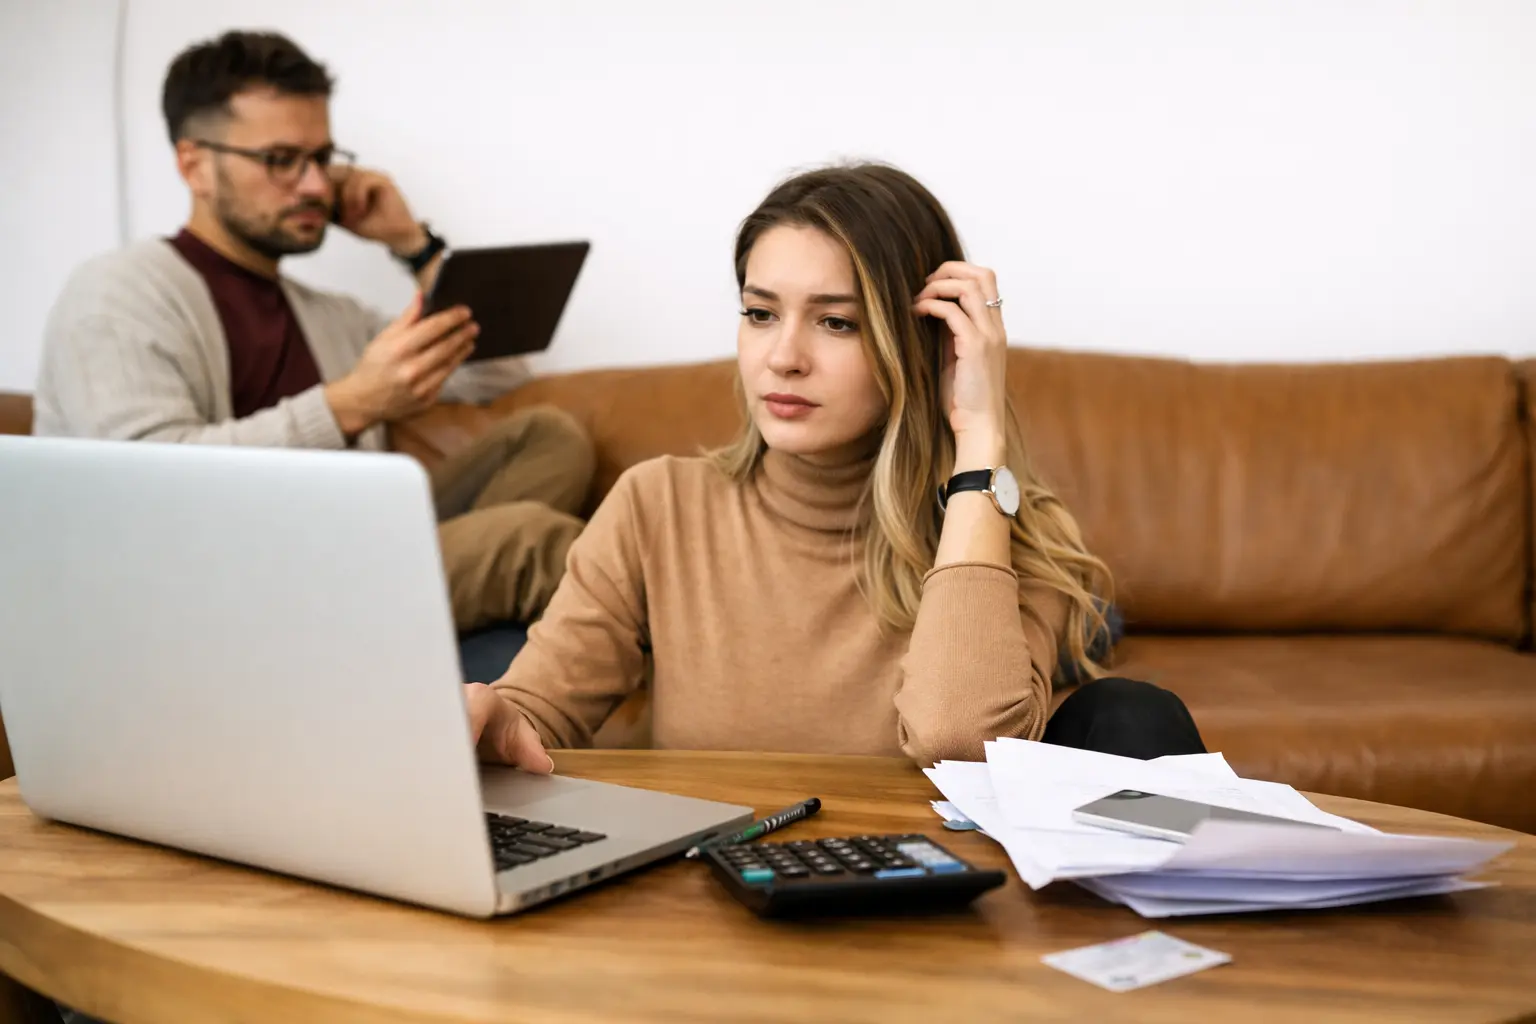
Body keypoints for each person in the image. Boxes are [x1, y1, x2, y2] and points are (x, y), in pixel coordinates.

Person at [463, 162, 1203, 773]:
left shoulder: (1006, 527)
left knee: (1133, 713)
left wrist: (978, 443)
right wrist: (497, 714)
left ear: (919, 342)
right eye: (760, 313)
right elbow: (540, 713)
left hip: (920, 922)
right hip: (708, 907)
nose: (783, 356)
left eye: (836, 321)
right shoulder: (657, 504)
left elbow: (958, 740)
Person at [32, 30, 592, 658]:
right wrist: (351, 403)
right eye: (281, 159)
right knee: (525, 539)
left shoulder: (325, 314)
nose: (312, 186)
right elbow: (144, 487)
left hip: (354, 555)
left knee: (549, 436)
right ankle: (700, 637)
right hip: (227, 595)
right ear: (194, 165)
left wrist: (411, 242)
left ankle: (424, 638)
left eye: (322, 159)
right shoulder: (118, 294)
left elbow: (496, 374)